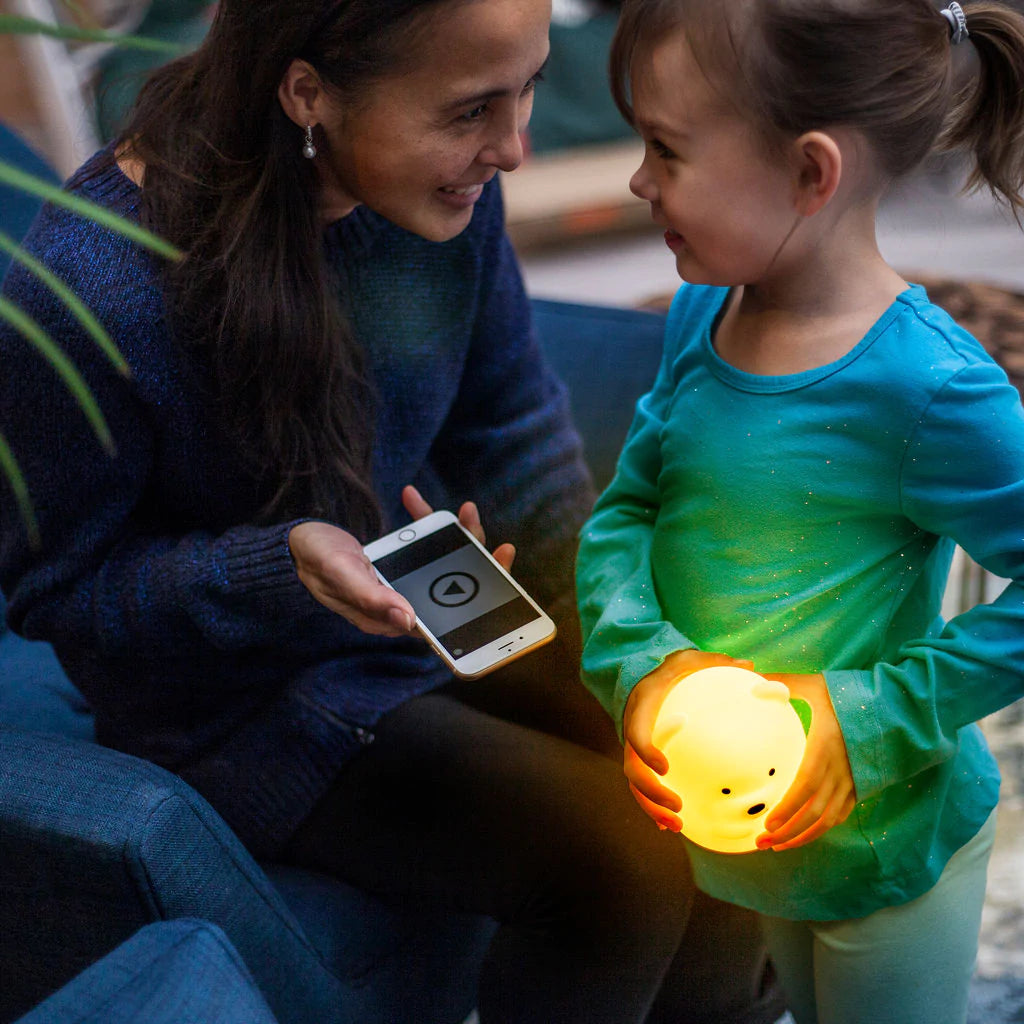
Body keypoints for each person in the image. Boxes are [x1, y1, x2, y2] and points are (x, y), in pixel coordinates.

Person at [0, 1, 785, 1021]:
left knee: (721, 785)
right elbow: (59, 590)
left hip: (429, 604)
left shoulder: (444, 196)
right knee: (619, 863)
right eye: (469, 111)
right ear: (307, 94)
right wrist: (275, 568)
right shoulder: (91, 292)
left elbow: (510, 427)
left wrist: (627, 615)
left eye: (528, 89)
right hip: (236, 704)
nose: (511, 147)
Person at [575, 1, 1024, 1022]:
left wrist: (862, 722)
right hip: (755, 837)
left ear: (809, 173)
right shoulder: (703, 308)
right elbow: (626, 510)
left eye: (664, 148)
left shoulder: (931, 389)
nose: (639, 182)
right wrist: (645, 668)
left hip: (888, 851)